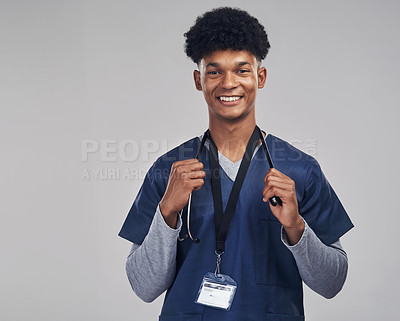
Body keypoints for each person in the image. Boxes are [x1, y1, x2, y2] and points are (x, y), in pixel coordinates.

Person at [119, 7, 353, 321]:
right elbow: (143, 287)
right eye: (214, 71)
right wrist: (167, 212)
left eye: (242, 70)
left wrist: (296, 226)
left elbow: (332, 283)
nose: (229, 83)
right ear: (198, 80)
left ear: (261, 77)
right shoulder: (169, 170)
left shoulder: (300, 170)